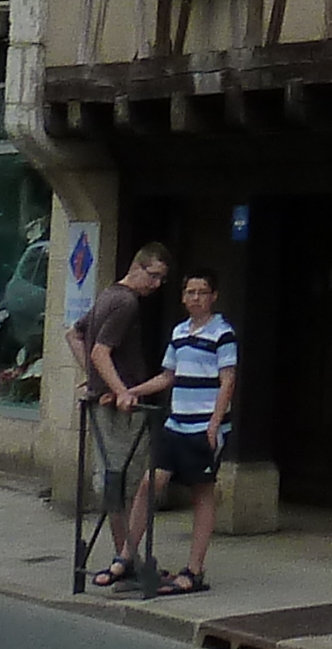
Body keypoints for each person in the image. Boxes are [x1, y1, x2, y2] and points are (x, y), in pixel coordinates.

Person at [130, 272, 239, 600]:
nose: (195, 298)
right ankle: (125, 556)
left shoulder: (223, 334)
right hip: (176, 424)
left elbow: (228, 380)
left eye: (202, 292)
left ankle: (194, 570)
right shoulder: (178, 332)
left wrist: (214, 424)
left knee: (202, 494)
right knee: (150, 484)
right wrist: (130, 392)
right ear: (182, 297)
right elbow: (167, 376)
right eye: (190, 292)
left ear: (213, 296)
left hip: (203, 427)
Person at [74, 245, 168, 592]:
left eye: (162, 278)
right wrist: (121, 389)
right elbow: (100, 351)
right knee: (125, 485)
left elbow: (76, 334)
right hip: (119, 410)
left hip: (104, 403)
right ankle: (125, 561)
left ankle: (123, 559)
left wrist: (94, 379)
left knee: (117, 483)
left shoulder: (107, 296)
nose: (156, 285)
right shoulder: (126, 302)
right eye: (153, 275)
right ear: (137, 267)